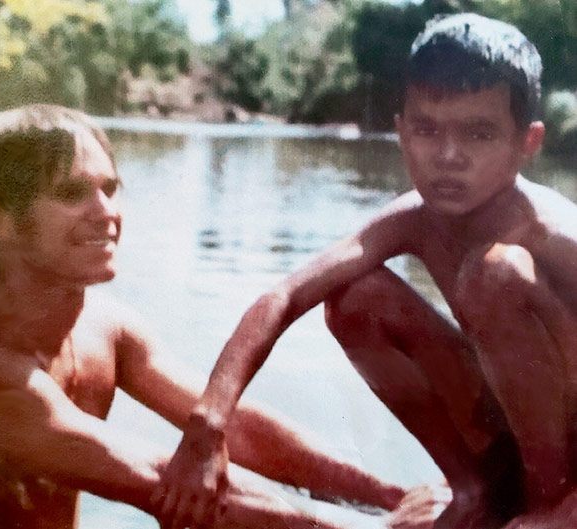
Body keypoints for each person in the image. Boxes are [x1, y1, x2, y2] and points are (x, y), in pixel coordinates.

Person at [0, 104, 428, 529]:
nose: (107, 213)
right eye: (73, 194)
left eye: (110, 189)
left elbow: (238, 429)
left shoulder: (105, 328)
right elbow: (168, 480)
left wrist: (389, 496)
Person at [156, 12, 577, 529]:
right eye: (426, 129)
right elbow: (287, 295)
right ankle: (477, 487)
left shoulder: (553, 232)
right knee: (356, 297)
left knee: (498, 274)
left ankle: (547, 504)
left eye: (479, 134)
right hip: (516, 437)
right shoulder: (414, 220)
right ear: (400, 132)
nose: (448, 156)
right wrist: (207, 423)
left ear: (527, 144)